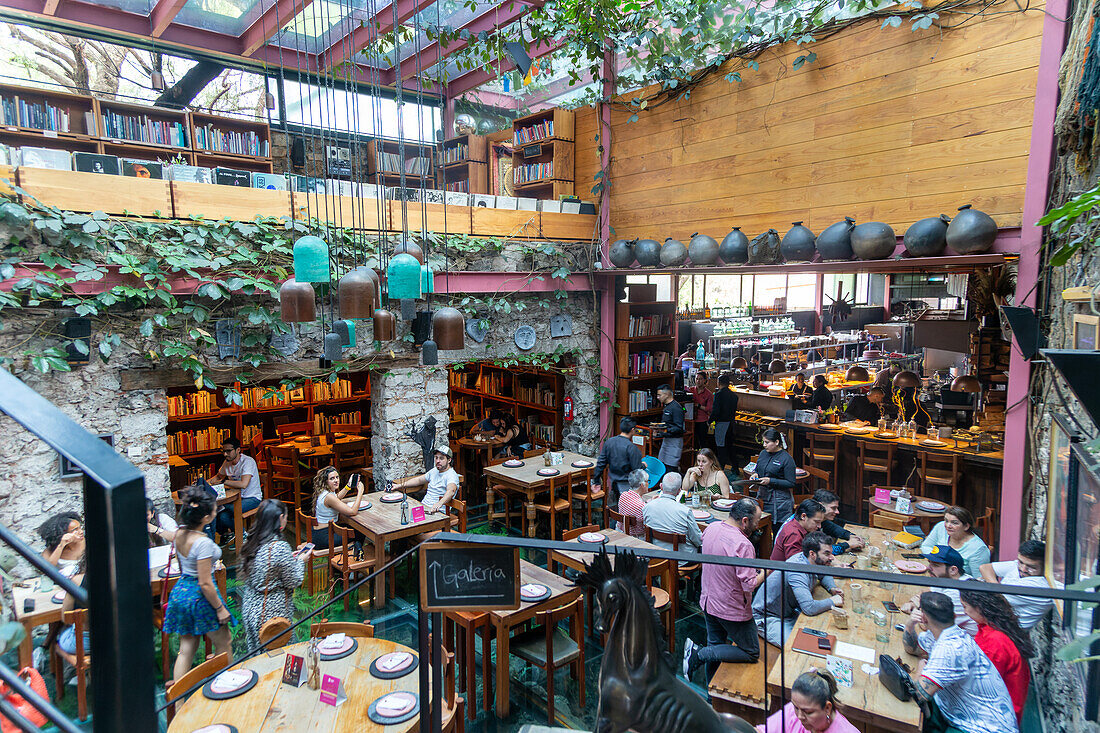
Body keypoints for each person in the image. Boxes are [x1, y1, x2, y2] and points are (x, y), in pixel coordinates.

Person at [903, 592, 1019, 733]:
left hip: (983, 729)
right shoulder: (948, 633)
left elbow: (917, 695)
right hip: (960, 716)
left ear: (924, 618)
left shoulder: (951, 649)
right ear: (954, 616)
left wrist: (921, 670)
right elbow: (913, 648)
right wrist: (909, 625)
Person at [682, 498, 763, 681]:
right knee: (750, 651)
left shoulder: (711, 528)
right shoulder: (743, 544)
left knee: (716, 644)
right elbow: (749, 584)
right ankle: (699, 655)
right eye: (756, 521)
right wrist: (765, 572)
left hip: (709, 599)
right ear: (744, 521)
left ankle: (712, 696)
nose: (757, 526)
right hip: (731, 607)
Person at [163, 485, 234, 682]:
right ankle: (226, 685)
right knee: (224, 642)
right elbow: (205, 583)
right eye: (213, 510)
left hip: (180, 592)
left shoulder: (180, 534)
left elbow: (170, 538)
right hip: (199, 596)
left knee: (187, 649)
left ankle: (177, 701)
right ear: (206, 518)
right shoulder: (202, 543)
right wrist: (219, 608)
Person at [753, 531, 843, 647]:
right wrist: (833, 601)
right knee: (801, 646)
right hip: (768, 618)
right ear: (812, 554)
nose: (831, 558)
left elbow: (824, 573)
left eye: (831, 553)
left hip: (790, 612)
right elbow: (809, 608)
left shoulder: (811, 560)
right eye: (826, 554)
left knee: (827, 634)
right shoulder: (797, 570)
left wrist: (832, 588)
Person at [239, 500, 307, 649]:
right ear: (280, 518)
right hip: (272, 612)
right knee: (279, 655)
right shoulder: (279, 548)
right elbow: (294, 580)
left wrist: (290, 559)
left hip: (251, 607)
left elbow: (270, 570)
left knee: (258, 655)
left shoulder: (251, 541)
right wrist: (301, 561)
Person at [959, 589, 1032, 724]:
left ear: (978, 607)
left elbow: (980, 684)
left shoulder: (995, 641)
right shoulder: (997, 627)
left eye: (965, 606)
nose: (964, 612)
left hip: (997, 716)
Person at [899, 545, 977, 635]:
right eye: (929, 563)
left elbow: (929, 625)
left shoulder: (957, 594)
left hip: (967, 644)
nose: (929, 568)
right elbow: (926, 592)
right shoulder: (945, 578)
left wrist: (917, 610)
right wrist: (913, 603)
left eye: (935, 565)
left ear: (953, 570)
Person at [979, 539, 1053, 629]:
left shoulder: (1038, 586)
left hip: (1007, 632)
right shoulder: (1021, 565)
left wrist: (991, 585)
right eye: (1020, 562)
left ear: (1045, 567)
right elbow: (985, 568)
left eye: (1032, 567)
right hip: (994, 624)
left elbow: (992, 598)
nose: (1023, 569)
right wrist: (997, 588)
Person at [755, 669, 859, 733]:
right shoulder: (794, 711)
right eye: (796, 707)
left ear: (827, 708)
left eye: (808, 712)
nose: (799, 716)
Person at [210, 437, 263, 543]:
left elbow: (243, 484)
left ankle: (241, 536)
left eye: (228, 451)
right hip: (237, 498)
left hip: (252, 498)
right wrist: (203, 483)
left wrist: (224, 482)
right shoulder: (227, 462)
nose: (225, 454)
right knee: (222, 516)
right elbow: (217, 477)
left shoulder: (248, 462)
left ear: (238, 450)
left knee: (226, 508)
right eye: (224, 451)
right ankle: (235, 535)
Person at [642, 472, 702, 560]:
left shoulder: (648, 506)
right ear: (679, 491)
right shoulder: (685, 512)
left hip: (656, 555)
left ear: (661, 487)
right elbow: (698, 540)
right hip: (681, 559)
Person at [919, 506, 991, 578]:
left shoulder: (978, 549)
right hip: (935, 574)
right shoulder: (941, 527)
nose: (948, 525)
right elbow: (926, 546)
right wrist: (936, 561)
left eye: (954, 523)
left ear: (966, 526)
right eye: (946, 521)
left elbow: (979, 579)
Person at [311, 465, 366, 549]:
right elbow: (353, 512)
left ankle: (354, 553)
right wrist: (360, 492)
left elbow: (336, 498)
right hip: (324, 537)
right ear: (325, 481)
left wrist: (348, 486)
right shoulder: (329, 497)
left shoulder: (324, 492)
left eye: (337, 477)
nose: (336, 480)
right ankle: (355, 555)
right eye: (332, 478)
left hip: (319, 533)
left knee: (352, 528)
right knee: (360, 532)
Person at [396, 446, 461, 515]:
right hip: (424, 507)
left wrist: (439, 503)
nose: (438, 461)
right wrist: (398, 486)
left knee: (408, 520)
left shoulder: (451, 475)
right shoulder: (434, 471)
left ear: (449, 460)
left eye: (441, 458)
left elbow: (451, 491)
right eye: (436, 458)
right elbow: (419, 480)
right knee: (401, 513)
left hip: (437, 512)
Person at [593, 417, 644, 506]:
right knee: (627, 513)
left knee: (616, 511)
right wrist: (644, 465)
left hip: (614, 484)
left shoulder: (609, 442)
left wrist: (596, 481)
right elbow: (637, 469)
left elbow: (601, 463)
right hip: (627, 487)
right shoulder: (631, 447)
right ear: (632, 430)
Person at [752, 427, 797, 523]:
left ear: (776, 442)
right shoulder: (763, 453)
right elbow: (758, 469)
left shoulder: (787, 459)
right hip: (763, 496)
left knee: (776, 527)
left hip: (780, 501)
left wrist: (770, 481)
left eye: (767, 442)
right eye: (763, 442)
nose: (764, 445)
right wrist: (755, 474)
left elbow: (791, 482)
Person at [710, 372, 739, 470]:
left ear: (719, 383)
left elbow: (716, 411)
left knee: (721, 448)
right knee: (730, 447)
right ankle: (735, 467)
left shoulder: (718, 395)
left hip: (722, 425)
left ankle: (720, 468)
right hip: (731, 424)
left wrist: (710, 420)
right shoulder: (734, 396)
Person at [656, 384, 685, 474]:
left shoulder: (676, 408)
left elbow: (679, 428)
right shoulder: (666, 406)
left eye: (659, 395)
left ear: (667, 395)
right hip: (666, 440)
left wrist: (664, 430)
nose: (657, 397)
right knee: (662, 466)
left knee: (671, 468)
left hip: (674, 442)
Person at [615, 468, 648, 539]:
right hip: (636, 538)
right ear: (642, 485)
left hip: (620, 532)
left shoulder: (623, 495)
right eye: (647, 481)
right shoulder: (642, 506)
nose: (648, 484)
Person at [690, 371, 714, 450]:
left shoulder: (708, 394)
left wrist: (699, 406)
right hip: (691, 420)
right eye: (696, 379)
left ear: (704, 380)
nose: (698, 381)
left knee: (702, 442)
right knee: (692, 442)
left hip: (702, 421)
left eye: (700, 379)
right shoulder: (690, 390)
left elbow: (709, 408)